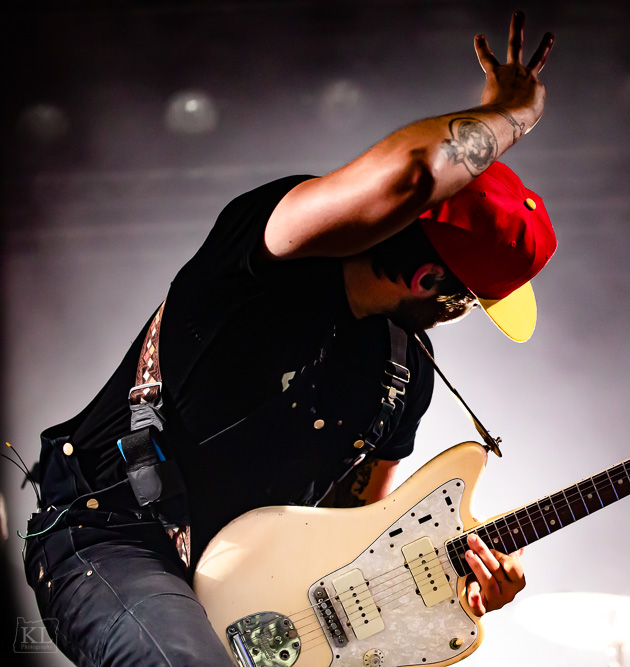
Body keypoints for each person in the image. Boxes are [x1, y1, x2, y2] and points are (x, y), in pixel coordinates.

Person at [22, 12, 555, 665]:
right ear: (426, 278)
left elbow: (348, 544)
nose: (464, 313)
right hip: (113, 534)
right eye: (468, 299)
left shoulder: (405, 374)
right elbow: (410, 176)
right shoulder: (274, 250)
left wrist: (456, 584)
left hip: (246, 593)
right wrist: (511, 113)